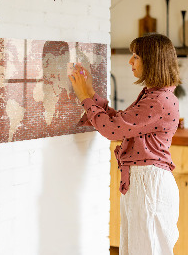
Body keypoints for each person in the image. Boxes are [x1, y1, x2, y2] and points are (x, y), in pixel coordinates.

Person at [69, 33, 181, 255]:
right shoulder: (154, 95)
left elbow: (112, 130)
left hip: (149, 184)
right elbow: (120, 122)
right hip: (144, 182)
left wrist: (84, 97)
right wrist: (90, 93)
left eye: (136, 56)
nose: (130, 61)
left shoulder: (158, 100)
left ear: (152, 61)